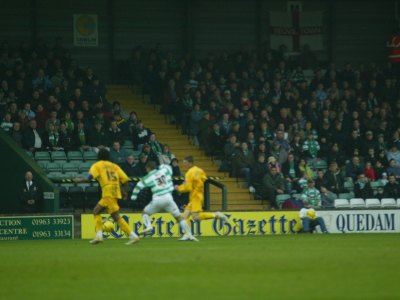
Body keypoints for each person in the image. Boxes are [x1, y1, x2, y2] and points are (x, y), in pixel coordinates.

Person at [73, 148, 139, 245]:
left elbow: (88, 178)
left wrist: (78, 180)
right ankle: (100, 236)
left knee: (109, 214)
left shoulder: (97, 165)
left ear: (98, 156)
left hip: (108, 191)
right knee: (100, 212)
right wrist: (125, 191)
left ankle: (132, 235)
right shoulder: (114, 166)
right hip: (116, 191)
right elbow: (125, 179)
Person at [131, 161, 197, 241]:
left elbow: (138, 185)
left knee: (145, 213)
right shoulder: (164, 171)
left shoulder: (148, 177)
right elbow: (168, 167)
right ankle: (190, 235)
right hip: (169, 198)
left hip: (158, 199)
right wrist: (160, 165)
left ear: (148, 169)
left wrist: (133, 197)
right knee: (179, 217)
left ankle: (148, 226)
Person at [174, 156, 228, 241]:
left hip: (195, 196)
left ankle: (217, 215)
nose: (184, 165)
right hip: (198, 195)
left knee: (196, 217)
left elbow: (187, 187)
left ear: (189, 162)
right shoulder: (199, 170)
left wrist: (179, 188)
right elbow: (204, 178)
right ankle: (187, 234)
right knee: (185, 216)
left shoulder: (189, 173)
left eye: (185, 163)